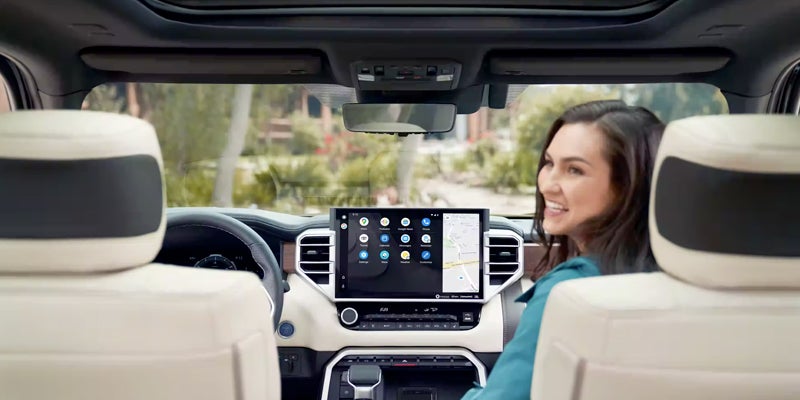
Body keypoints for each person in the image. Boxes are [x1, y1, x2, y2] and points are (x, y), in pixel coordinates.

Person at [461, 99, 665, 400]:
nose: (547, 185)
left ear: (628, 185)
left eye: (574, 170)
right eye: (548, 163)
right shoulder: (680, 277)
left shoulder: (568, 293)